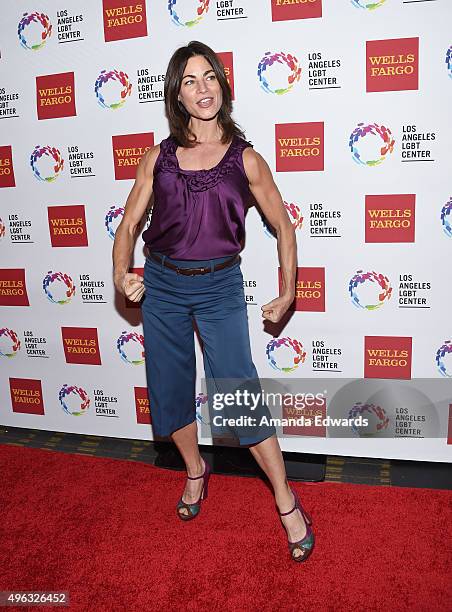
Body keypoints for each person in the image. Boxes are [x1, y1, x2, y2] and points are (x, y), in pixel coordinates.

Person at [112, 40, 315, 562]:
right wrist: (121, 273)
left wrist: (289, 288)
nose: (202, 89)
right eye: (189, 81)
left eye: (210, 78)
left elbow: (284, 226)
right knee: (170, 389)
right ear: (176, 95)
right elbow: (130, 223)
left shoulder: (245, 159)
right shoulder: (157, 158)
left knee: (238, 394)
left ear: (223, 85)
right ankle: (195, 470)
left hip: (220, 287)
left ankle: (286, 499)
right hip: (162, 287)